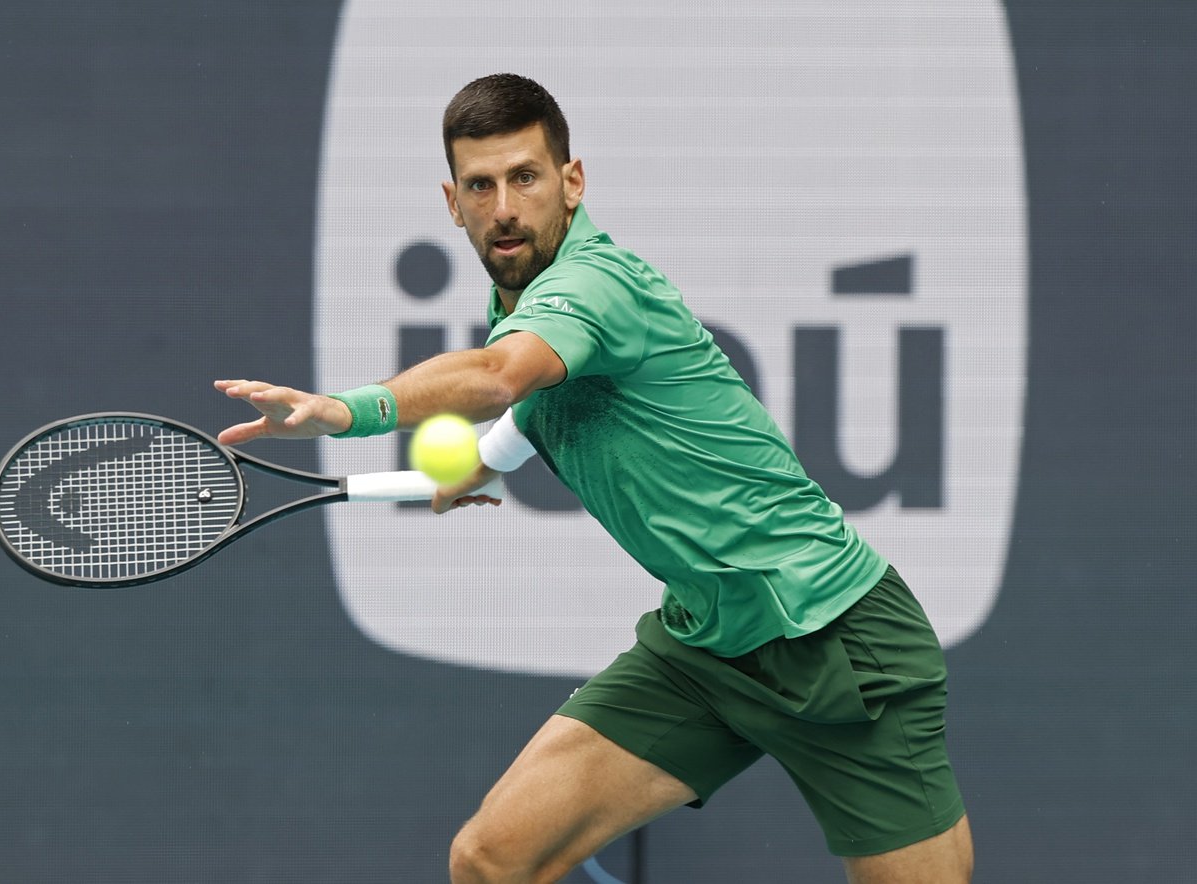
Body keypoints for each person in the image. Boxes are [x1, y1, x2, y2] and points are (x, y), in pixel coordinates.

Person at [215, 73, 973, 884]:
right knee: (493, 860)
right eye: (481, 184)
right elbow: (541, 400)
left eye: (526, 177)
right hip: (708, 648)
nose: (504, 205)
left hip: (836, 638)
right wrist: (486, 461)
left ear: (571, 183)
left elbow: (503, 376)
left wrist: (343, 411)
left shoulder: (595, 285)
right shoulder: (526, 299)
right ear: (452, 201)